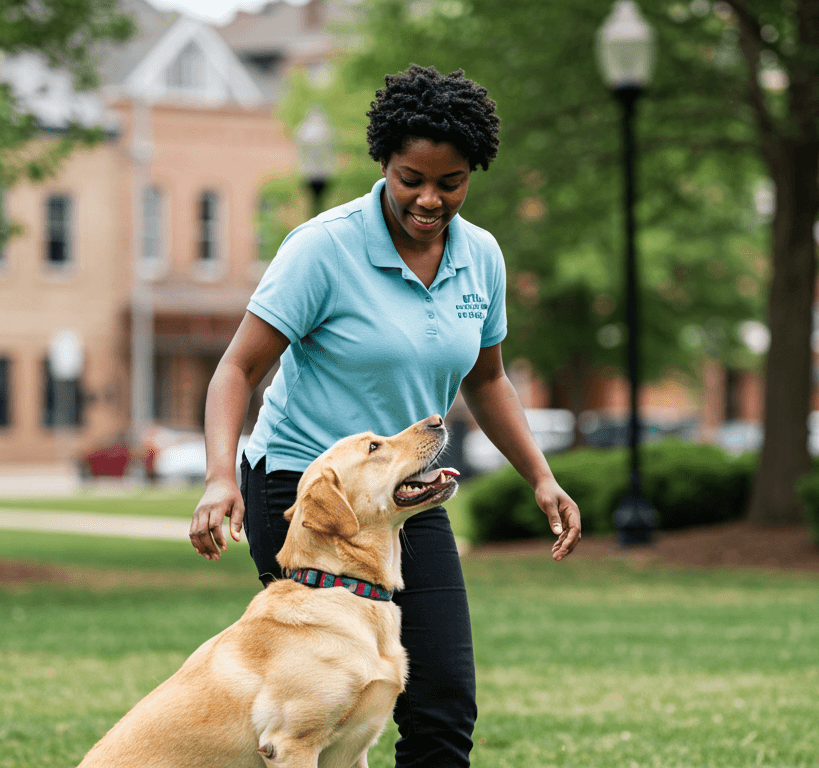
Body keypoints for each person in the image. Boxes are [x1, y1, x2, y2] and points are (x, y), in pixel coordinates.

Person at [188, 64, 582, 768]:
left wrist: (541, 477)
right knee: (326, 700)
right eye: (411, 179)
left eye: (450, 182)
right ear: (383, 164)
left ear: (471, 174)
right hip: (306, 490)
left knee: (442, 699)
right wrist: (220, 476)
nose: (430, 199)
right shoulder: (324, 247)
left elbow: (488, 379)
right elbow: (237, 368)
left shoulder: (481, 256)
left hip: (405, 489)